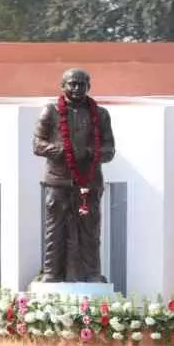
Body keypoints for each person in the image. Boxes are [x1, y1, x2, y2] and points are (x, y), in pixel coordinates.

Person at [32, 68, 117, 283]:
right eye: (72, 84)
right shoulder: (50, 111)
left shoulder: (100, 114)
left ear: (89, 87)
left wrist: (89, 153)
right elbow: (38, 145)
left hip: (89, 181)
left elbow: (109, 150)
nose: (77, 88)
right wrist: (61, 150)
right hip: (58, 180)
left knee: (90, 230)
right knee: (55, 228)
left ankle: (92, 274)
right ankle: (52, 272)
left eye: (82, 84)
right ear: (63, 86)